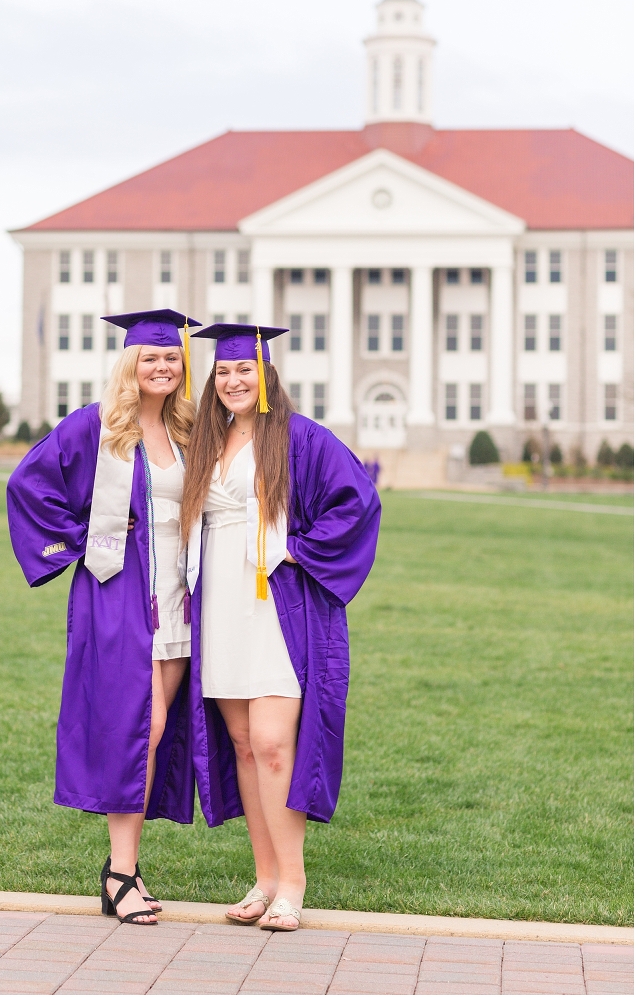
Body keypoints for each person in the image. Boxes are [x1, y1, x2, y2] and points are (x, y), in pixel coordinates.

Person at [181, 324, 381, 931]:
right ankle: (264, 879)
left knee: (272, 745)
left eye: (244, 371)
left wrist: (297, 549)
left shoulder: (300, 438)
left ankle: (292, 884)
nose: (233, 380)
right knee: (243, 745)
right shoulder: (206, 441)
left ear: (265, 375)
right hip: (219, 602)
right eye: (223, 372)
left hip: (275, 604)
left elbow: (358, 502)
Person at [7, 309, 200, 926]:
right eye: (151, 358)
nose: (162, 366)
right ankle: (120, 873)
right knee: (138, 728)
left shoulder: (190, 431)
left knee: (156, 729)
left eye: (172, 358)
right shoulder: (98, 426)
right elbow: (28, 484)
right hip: (119, 594)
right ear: (130, 364)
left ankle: (126, 870)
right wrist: (82, 542)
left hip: (180, 597)